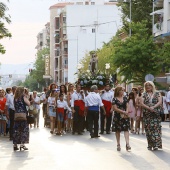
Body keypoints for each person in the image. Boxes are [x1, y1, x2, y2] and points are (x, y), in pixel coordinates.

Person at [141, 81, 162, 151]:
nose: (148, 87)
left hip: (155, 113)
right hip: (147, 114)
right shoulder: (144, 94)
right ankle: (150, 144)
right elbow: (141, 103)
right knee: (148, 129)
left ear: (152, 86)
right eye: (146, 86)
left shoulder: (157, 93)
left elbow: (160, 102)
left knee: (156, 129)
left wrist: (154, 107)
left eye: (149, 85)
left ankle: (156, 145)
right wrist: (148, 108)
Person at [112, 86, 131, 151]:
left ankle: (127, 144)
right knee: (117, 130)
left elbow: (127, 106)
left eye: (123, 90)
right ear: (118, 91)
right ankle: (118, 144)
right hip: (117, 116)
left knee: (126, 129)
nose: (123, 91)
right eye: (122, 90)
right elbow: (115, 108)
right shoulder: (114, 99)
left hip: (125, 116)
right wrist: (123, 111)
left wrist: (127, 112)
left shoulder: (125, 98)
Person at [13, 86, 30, 151]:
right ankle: (22, 144)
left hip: (16, 115)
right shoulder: (23, 97)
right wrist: (26, 96)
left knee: (16, 130)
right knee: (24, 129)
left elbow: (14, 106)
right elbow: (28, 103)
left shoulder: (15, 98)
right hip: (23, 115)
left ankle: (15, 145)